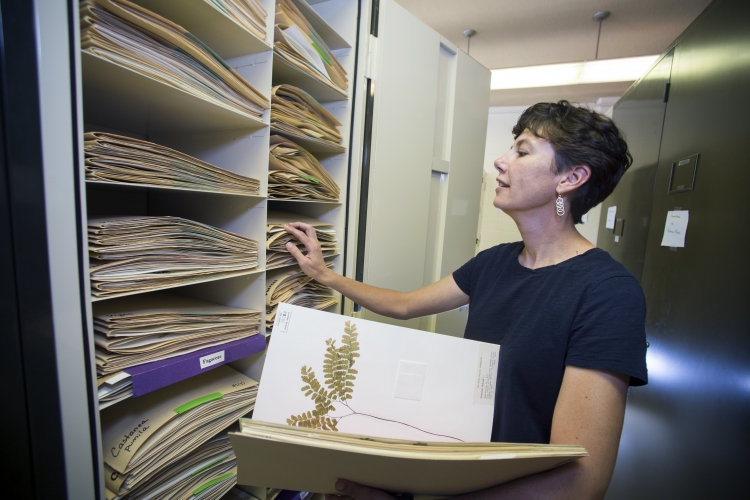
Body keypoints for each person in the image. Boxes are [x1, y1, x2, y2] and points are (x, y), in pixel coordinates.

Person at [282, 100, 648, 500]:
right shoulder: (494, 263)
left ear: (571, 178)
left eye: (522, 151)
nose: (500, 161)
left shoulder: (608, 293)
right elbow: (404, 304)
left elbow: (580, 482)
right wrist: (325, 275)